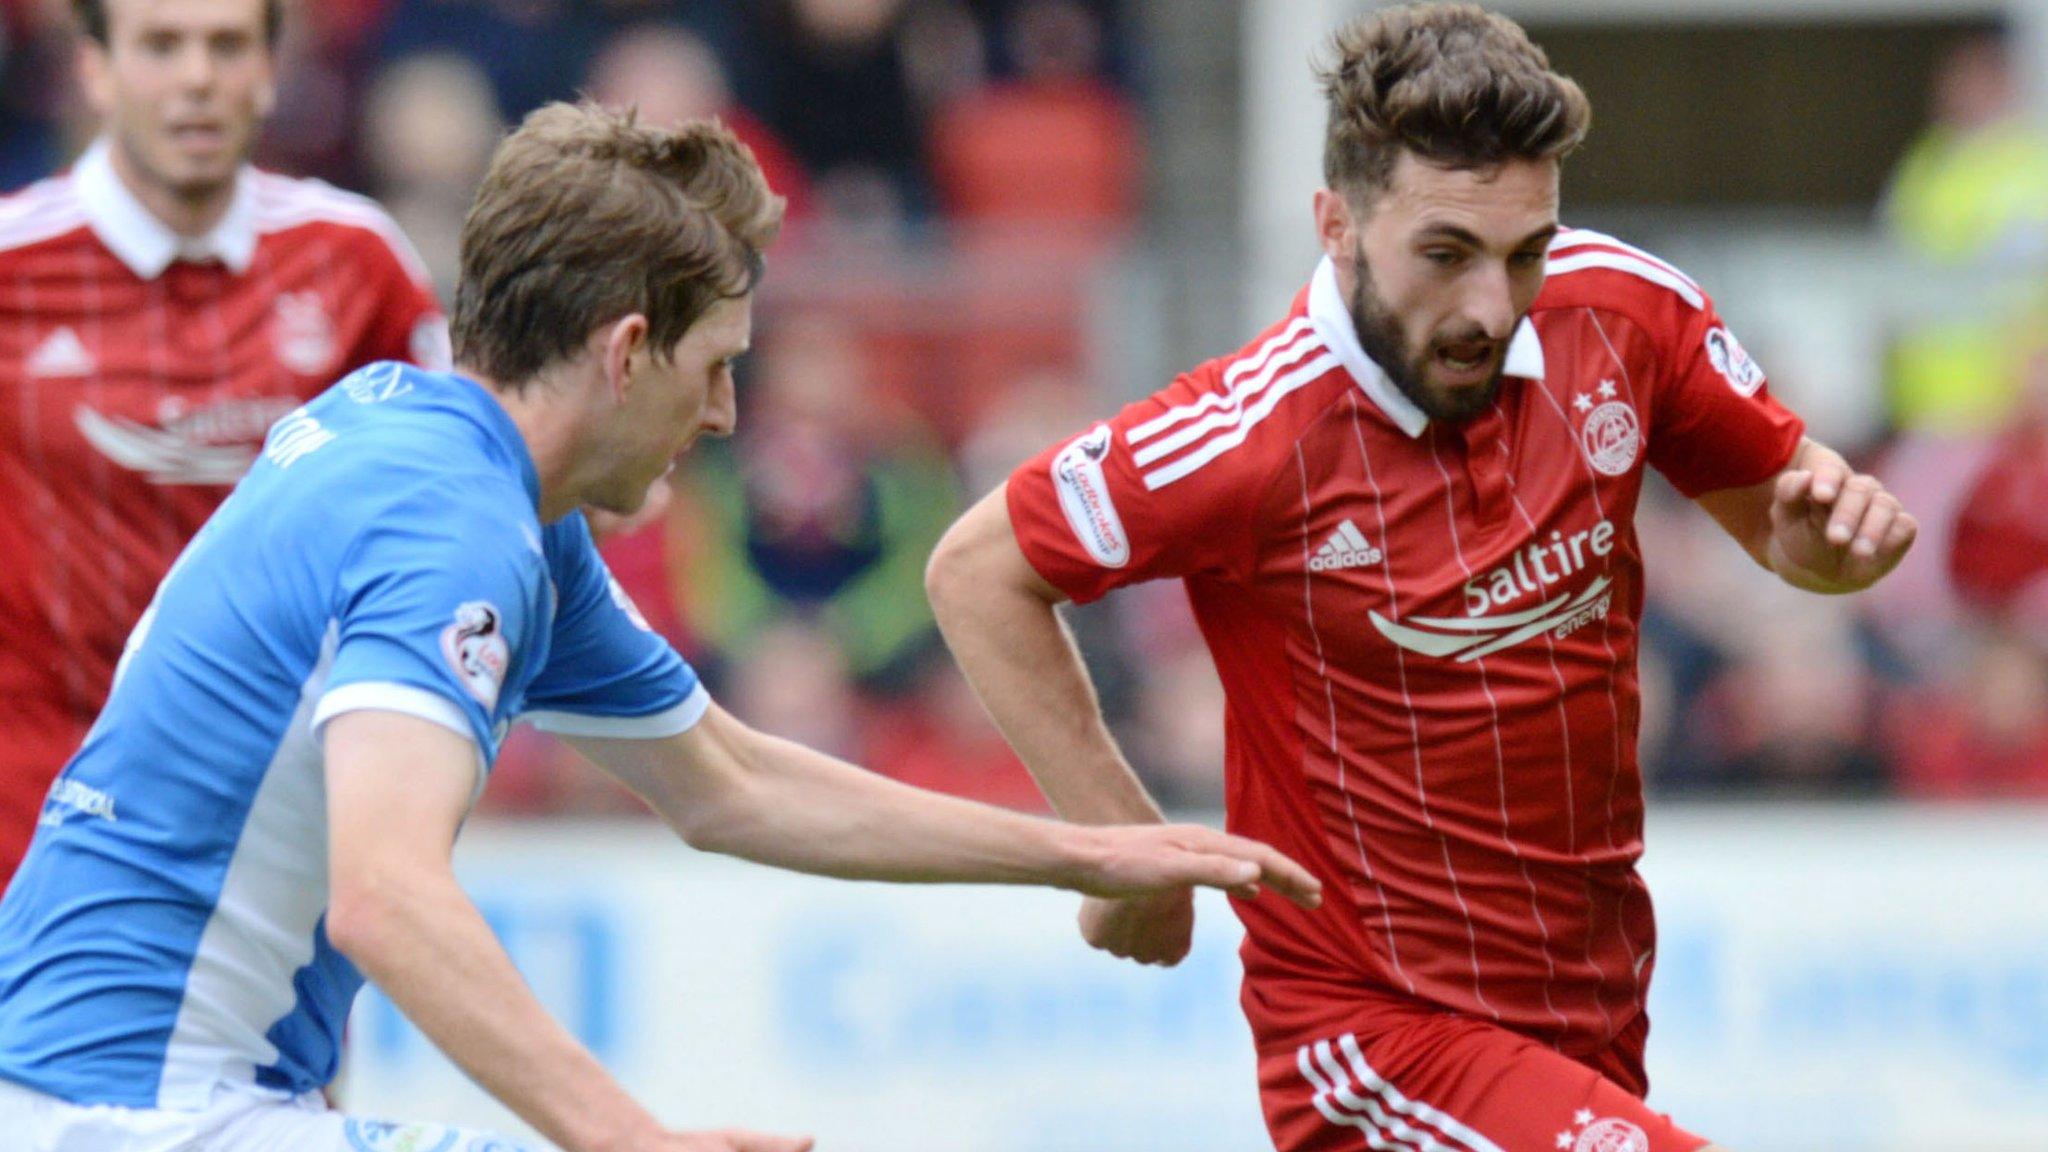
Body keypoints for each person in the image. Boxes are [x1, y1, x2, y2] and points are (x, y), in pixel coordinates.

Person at [0, 102, 1321, 1152]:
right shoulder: (451, 519)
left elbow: (725, 781)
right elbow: (387, 898)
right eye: (719, 367)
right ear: (629, 351)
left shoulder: (465, 470)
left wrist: (1086, 854)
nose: (729, 418)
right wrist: (627, 1138)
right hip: (130, 1114)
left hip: (149, 1097)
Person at [924, 6, 1916, 1152]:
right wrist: (1114, 843)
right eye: (1443, 254)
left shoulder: (1625, 315)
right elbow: (976, 570)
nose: (1490, 307)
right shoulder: (1248, 434)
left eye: (1523, 252)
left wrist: (1834, 551)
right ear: (1335, 225)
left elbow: (1788, 528)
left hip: (1582, 1025)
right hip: (1373, 1040)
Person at [0, 0, 447, 891]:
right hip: (35, 827)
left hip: (272, 841)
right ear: (95, 69)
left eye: (227, 45)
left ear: (271, 69)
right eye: (162, 46)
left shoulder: (354, 261)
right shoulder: (14, 266)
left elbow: (453, 491)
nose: (197, 78)